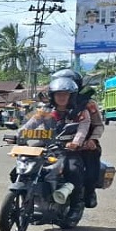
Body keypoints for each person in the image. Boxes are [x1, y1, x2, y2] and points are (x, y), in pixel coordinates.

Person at [18, 75, 90, 207]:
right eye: (58, 94)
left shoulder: (80, 112)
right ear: (52, 96)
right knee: (22, 167)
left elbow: (82, 129)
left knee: (73, 170)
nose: (61, 97)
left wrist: (75, 142)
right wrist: (20, 134)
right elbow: (30, 124)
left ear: (71, 96)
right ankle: (26, 198)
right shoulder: (45, 111)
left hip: (69, 149)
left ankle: (76, 205)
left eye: (65, 94)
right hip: (47, 145)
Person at [53, 68, 104, 208]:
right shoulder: (52, 103)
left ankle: (88, 193)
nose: (63, 88)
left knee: (86, 168)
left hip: (84, 144)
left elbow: (98, 125)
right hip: (58, 143)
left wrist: (92, 139)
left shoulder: (88, 104)